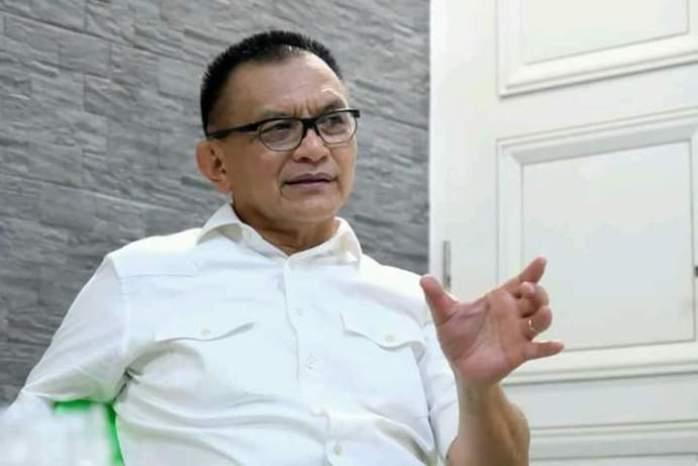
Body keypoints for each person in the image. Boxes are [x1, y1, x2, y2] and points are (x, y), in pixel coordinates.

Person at [7, 30, 563, 465]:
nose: (314, 149)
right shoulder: (140, 277)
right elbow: (32, 432)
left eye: (333, 122)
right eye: (277, 129)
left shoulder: (418, 303)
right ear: (216, 163)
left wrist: (478, 386)